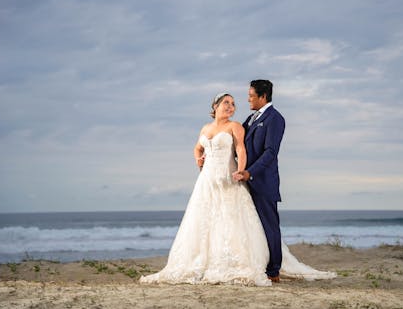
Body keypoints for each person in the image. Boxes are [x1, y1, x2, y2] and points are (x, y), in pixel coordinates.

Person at [139, 92, 336, 286]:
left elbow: (241, 149)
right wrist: (199, 161)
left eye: (233, 104)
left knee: (232, 220)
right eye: (226, 102)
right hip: (207, 181)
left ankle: (262, 266)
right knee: (205, 221)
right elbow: (197, 148)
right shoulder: (206, 128)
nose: (231, 106)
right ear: (215, 106)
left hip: (229, 177)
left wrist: (241, 171)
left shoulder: (236, 126)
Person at [233, 79, 284, 282]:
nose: (248, 99)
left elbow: (270, 152)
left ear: (263, 96)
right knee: (252, 226)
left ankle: (274, 271)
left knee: (269, 225)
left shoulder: (275, 119)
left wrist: (250, 172)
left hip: (263, 181)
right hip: (246, 181)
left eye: (251, 95)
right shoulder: (251, 118)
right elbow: (236, 140)